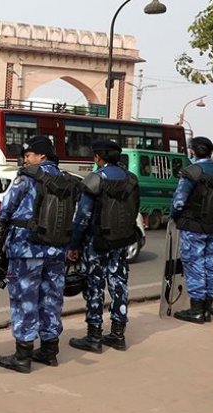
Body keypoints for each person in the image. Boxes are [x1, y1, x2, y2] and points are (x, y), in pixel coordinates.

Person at [0, 135, 77, 374]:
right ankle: (49, 351)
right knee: (52, 298)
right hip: (56, 249)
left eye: (28, 155)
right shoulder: (68, 180)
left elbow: (5, 209)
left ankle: (23, 355)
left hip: (26, 249)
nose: (25, 159)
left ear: (42, 155)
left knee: (25, 299)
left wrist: (4, 228)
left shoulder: (27, 177)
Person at [67, 140, 140, 352]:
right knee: (119, 285)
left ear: (98, 157)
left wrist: (73, 245)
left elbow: (82, 217)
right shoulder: (131, 179)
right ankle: (118, 334)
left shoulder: (95, 179)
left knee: (94, 287)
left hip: (96, 243)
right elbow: (135, 209)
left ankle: (94, 336)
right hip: (121, 241)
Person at [170, 136, 213, 324]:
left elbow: (179, 201)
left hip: (194, 226)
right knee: (209, 264)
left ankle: (197, 310)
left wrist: (174, 217)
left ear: (192, 151)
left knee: (194, 265)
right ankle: (207, 307)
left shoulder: (191, 172)